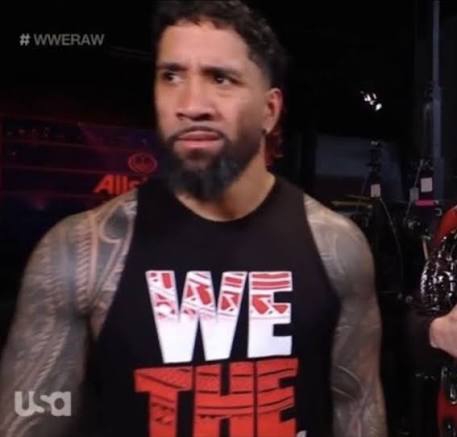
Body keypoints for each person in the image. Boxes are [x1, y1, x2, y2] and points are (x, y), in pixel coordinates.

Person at [0, 1, 386, 436]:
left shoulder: (338, 248)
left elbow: (358, 406)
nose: (191, 104)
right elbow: (27, 421)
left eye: (220, 79)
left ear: (270, 110)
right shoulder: (79, 252)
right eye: (172, 76)